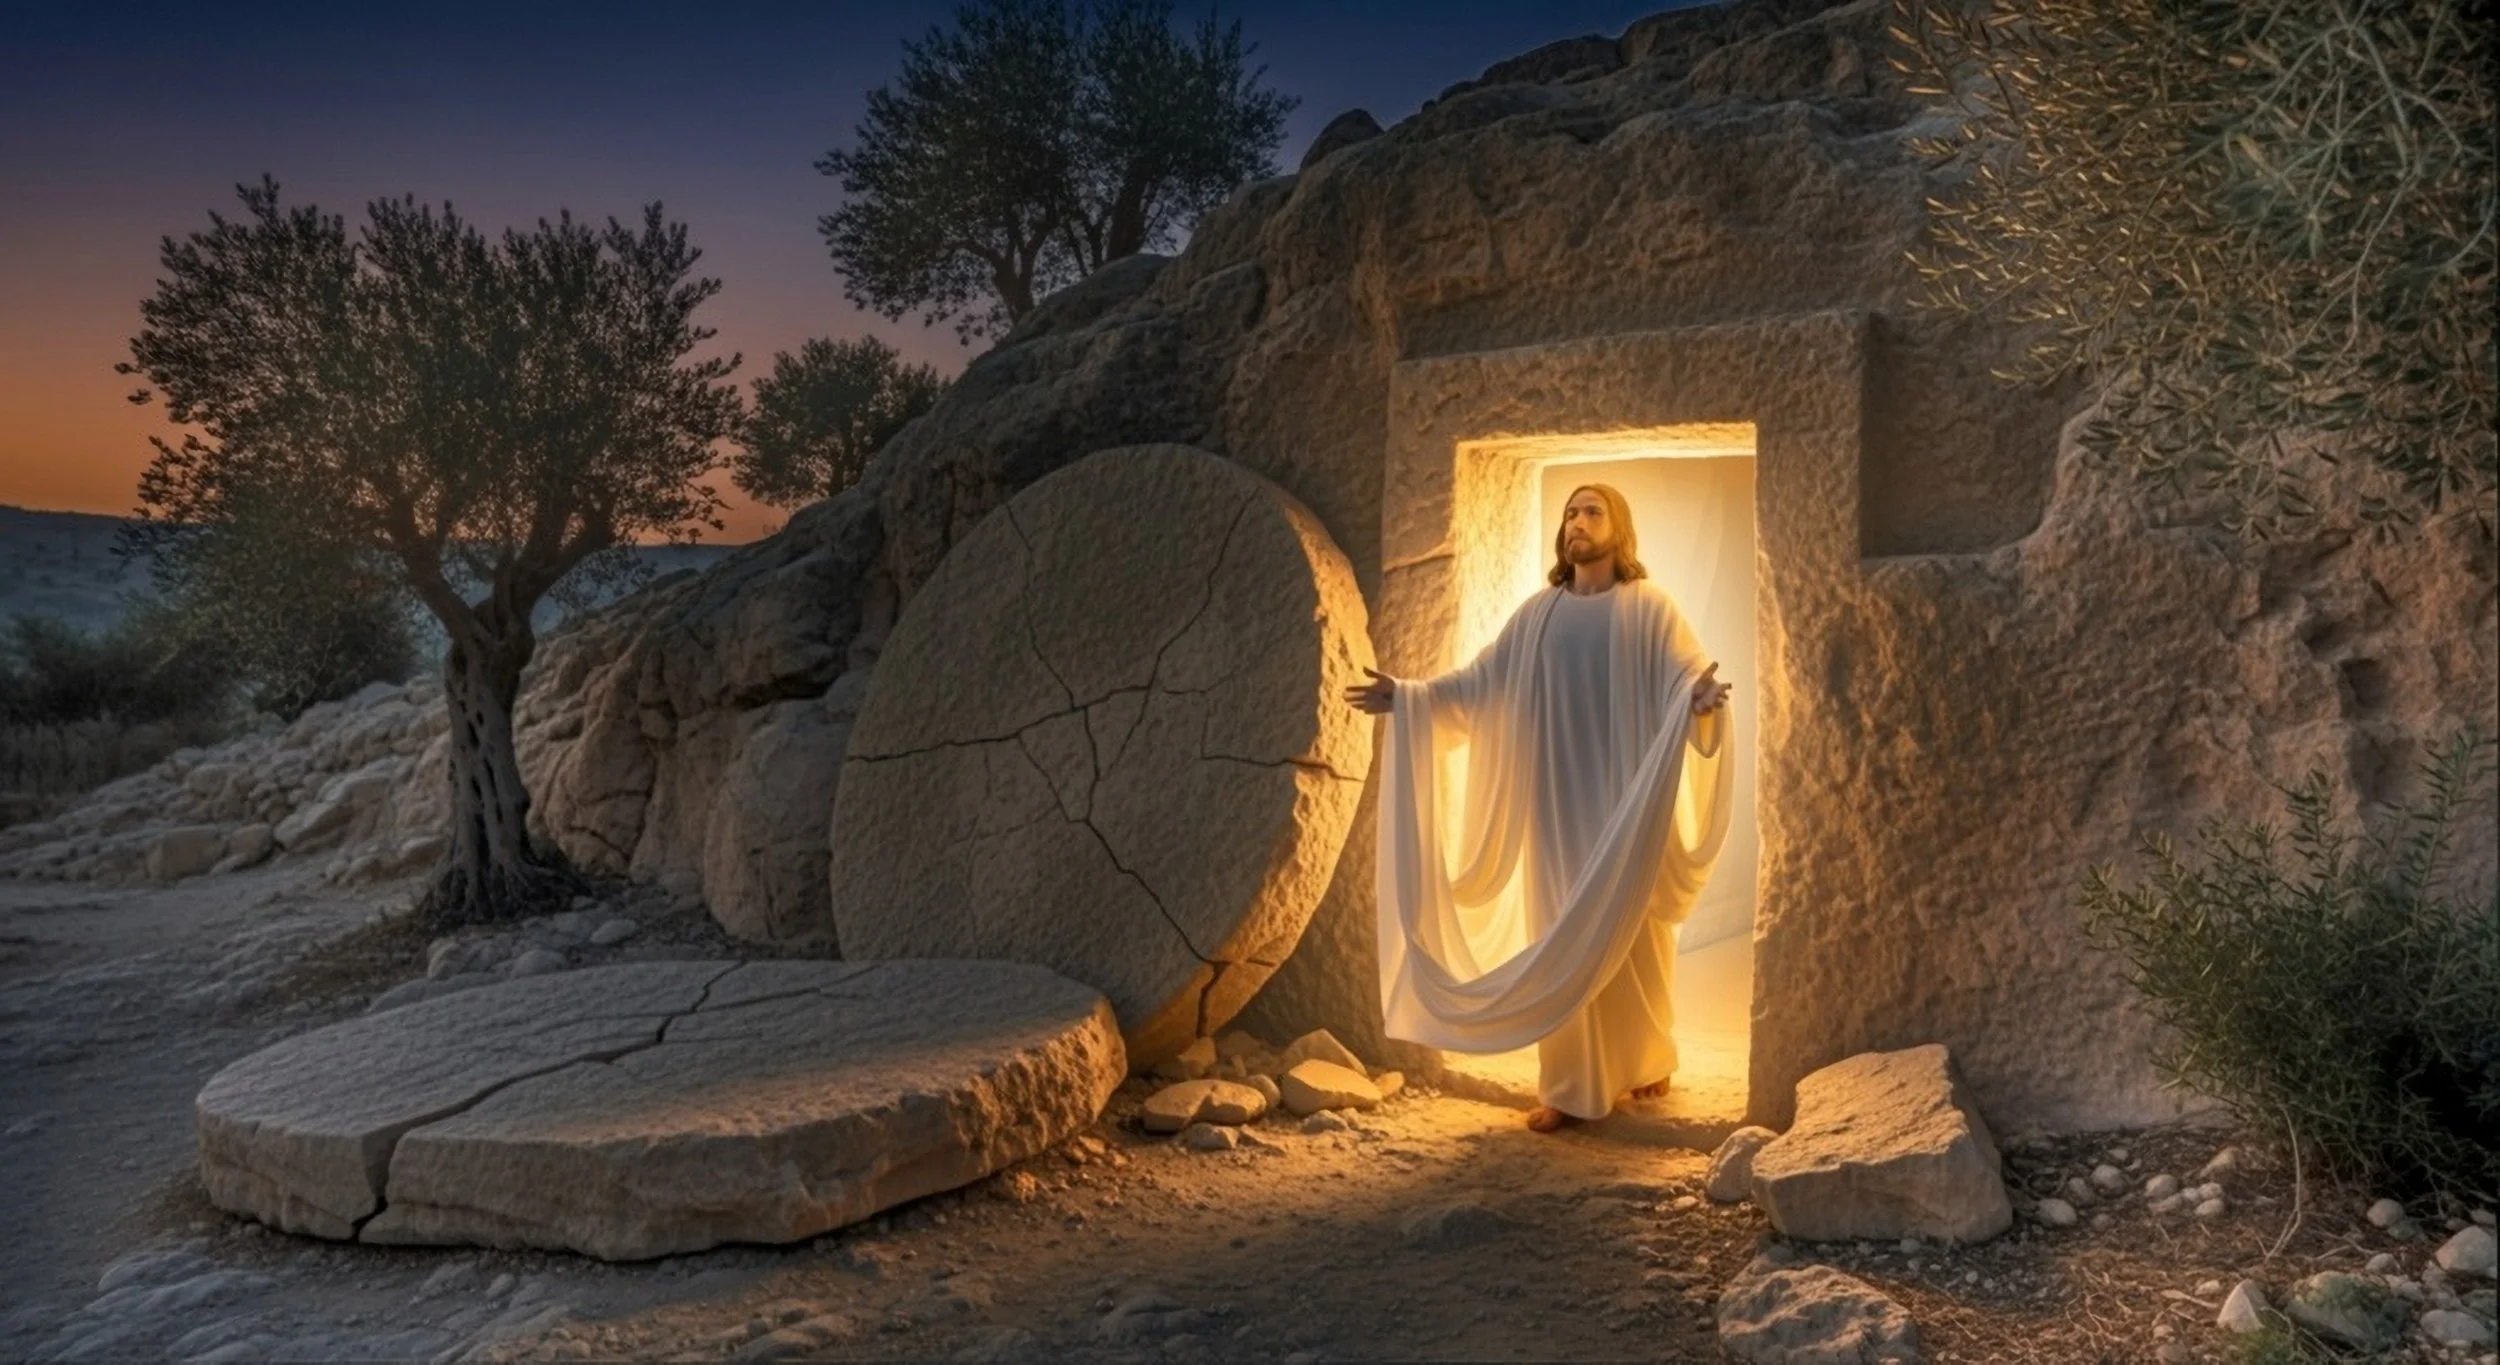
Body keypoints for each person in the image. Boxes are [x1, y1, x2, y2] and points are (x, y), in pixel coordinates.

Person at [1344, 483, 1734, 1133]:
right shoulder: (1537, 615)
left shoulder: (1649, 609)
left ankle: (1646, 1061)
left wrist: (1696, 697)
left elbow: (1682, 673)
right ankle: (1572, 1088)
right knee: (1562, 935)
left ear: (1619, 528)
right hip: (1554, 807)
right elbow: (1479, 684)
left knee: (1637, 942)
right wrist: (1409, 697)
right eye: (1569, 513)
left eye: (1591, 511)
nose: (1576, 522)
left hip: (1628, 804)